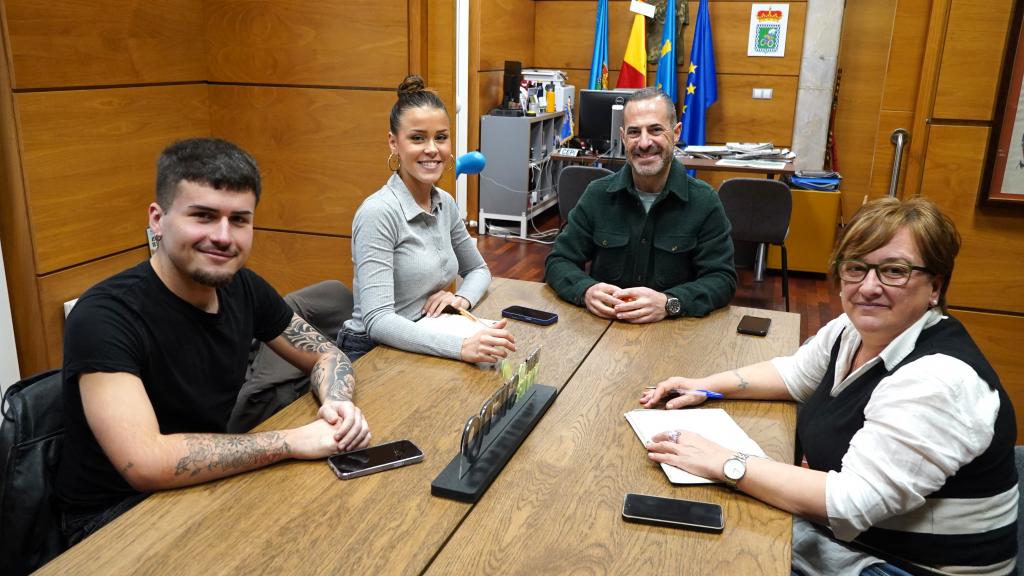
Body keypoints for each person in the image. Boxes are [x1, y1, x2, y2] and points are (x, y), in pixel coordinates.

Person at [641, 197, 1017, 575]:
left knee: (706, 551)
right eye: (856, 268)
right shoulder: (853, 330)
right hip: (865, 541)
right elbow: (793, 374)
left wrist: (725, 462)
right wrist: (705, 386)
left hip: (907, 566)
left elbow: (849, 503)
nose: (869, 287)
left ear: (935, 286)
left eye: (894, 271)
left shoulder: (937, 381)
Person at [56, 138, 371, 546]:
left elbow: (324, 352)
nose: (223, 237)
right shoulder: (104, 316)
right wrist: (291, 440)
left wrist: (337, 402)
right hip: (111, 521)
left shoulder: (242, 287)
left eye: (239, 220)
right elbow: (145, 462)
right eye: (203, 216)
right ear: (158, 218)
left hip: (200, 488)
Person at [339, 75, 515, 363]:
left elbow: (479, 270)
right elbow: (378, 320)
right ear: (394, 143)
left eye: (441, 137)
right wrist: (460, 347)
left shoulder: (445, 203)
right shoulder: (378, 213)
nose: (433, 149)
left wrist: (460, 300)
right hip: (373, 353)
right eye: (418, 138)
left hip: (426, 337)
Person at [544, 87, 736, 323]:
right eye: (634, 132)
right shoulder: (598, 195)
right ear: (623, 138)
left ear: (676, 133)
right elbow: (558, 260)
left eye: (655, 130)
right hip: (603, 331)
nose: (644, 143)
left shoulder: (704, 202)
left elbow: (722, 279)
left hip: (674, 333)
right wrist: (584, 290)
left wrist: (670, 303)